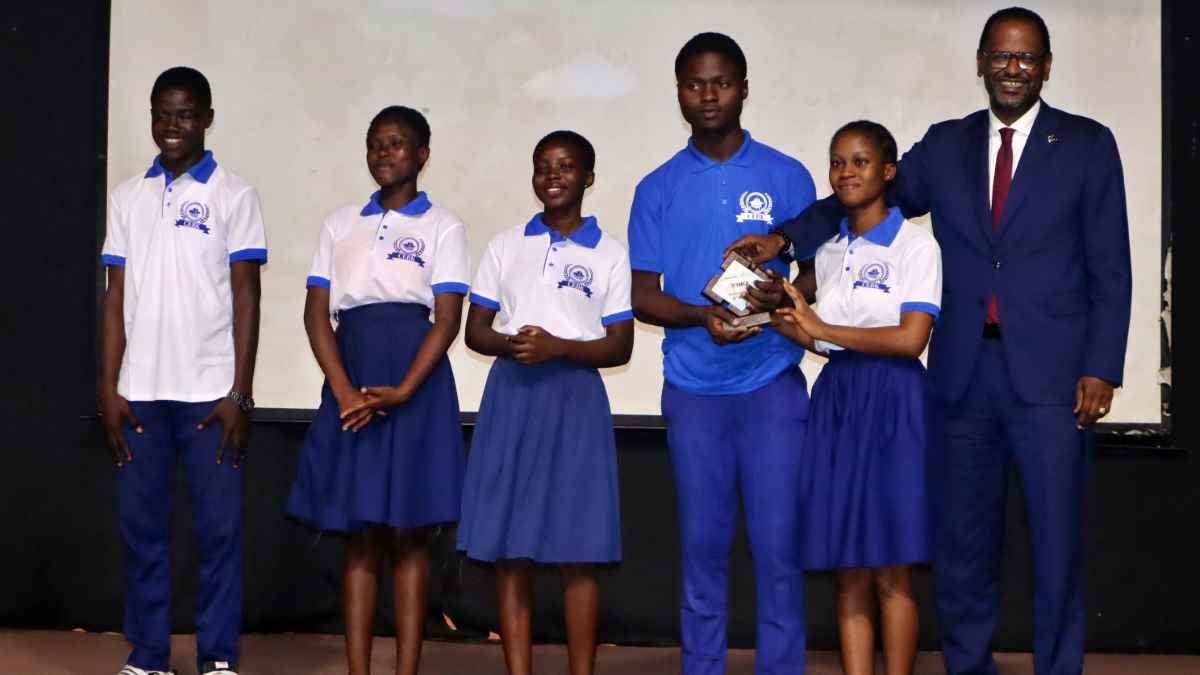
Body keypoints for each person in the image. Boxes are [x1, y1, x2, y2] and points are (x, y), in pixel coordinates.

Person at [729, 8, 1132, 675]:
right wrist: (783, 238)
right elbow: (860, 195)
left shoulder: (1088, 144)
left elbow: (1111, 266)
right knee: (963, 543)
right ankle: (968, 666)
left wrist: (1102, 366)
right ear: (980, 62)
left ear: (1046, 67)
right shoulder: (947, 145)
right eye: (1000, 56)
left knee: (1057, 542)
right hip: (962, 375)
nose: (1012, 68)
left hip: (1055, 379)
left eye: (1026, 57)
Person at [627, 32, 817, 675]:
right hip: (693, 389)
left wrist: (780, 301)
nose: (708, 95)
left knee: (778, 545)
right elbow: (643, 297)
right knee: (702, 546)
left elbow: (816, 270)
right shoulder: (658, 187)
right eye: (694, 84)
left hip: (771, 385)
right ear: (679, 92)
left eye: (722, 82)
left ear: (744, 88)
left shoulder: (786, 175)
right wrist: (701, 317)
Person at [285, 106, 469, 675]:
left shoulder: (443, 225)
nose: (385, 152)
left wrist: (406, 390)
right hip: (354, 376)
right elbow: (317, 314)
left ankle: (406, 669)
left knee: (411, 535)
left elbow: (447, 319)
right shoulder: (340, 223)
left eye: (397, 143)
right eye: (376, 143)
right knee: (360, 536)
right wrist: (343, 391)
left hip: (416, 383)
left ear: (422, 155)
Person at [100, 66, 265, 675]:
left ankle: (217, 658)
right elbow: (114, 297)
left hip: (210, 395)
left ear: (207, 119)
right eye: (163, 114)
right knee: (142, 533)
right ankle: (149, 656)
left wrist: (240, 393)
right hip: (139, 393)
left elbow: (246, 296)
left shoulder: (234, 194)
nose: (173, 125)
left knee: (219, 535)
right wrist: (108, 388)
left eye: (186, 114)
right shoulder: (127, 196)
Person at [457, 130, 633, 675]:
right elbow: (475, 331)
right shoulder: (506, 245)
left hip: (574, 400)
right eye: (543, 166)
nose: (553, 175)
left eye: (566, 166)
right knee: (512, 550)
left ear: (589, 178)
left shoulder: (609, 253)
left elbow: (620, 346)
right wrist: (516, 344)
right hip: (513, 395)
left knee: (578, 550)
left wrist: (558, 347)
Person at [774, 121, 941, 675]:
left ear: (888, 172)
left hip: (894, 400)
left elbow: (910, 339)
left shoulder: (916, 245)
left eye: (861, 162)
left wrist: (823, 326)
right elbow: (823, 341)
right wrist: (778, 318)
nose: (846, 173)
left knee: (892, 568)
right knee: (848, 567)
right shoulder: (827, 250)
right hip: (838, 400)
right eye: (838, 162)